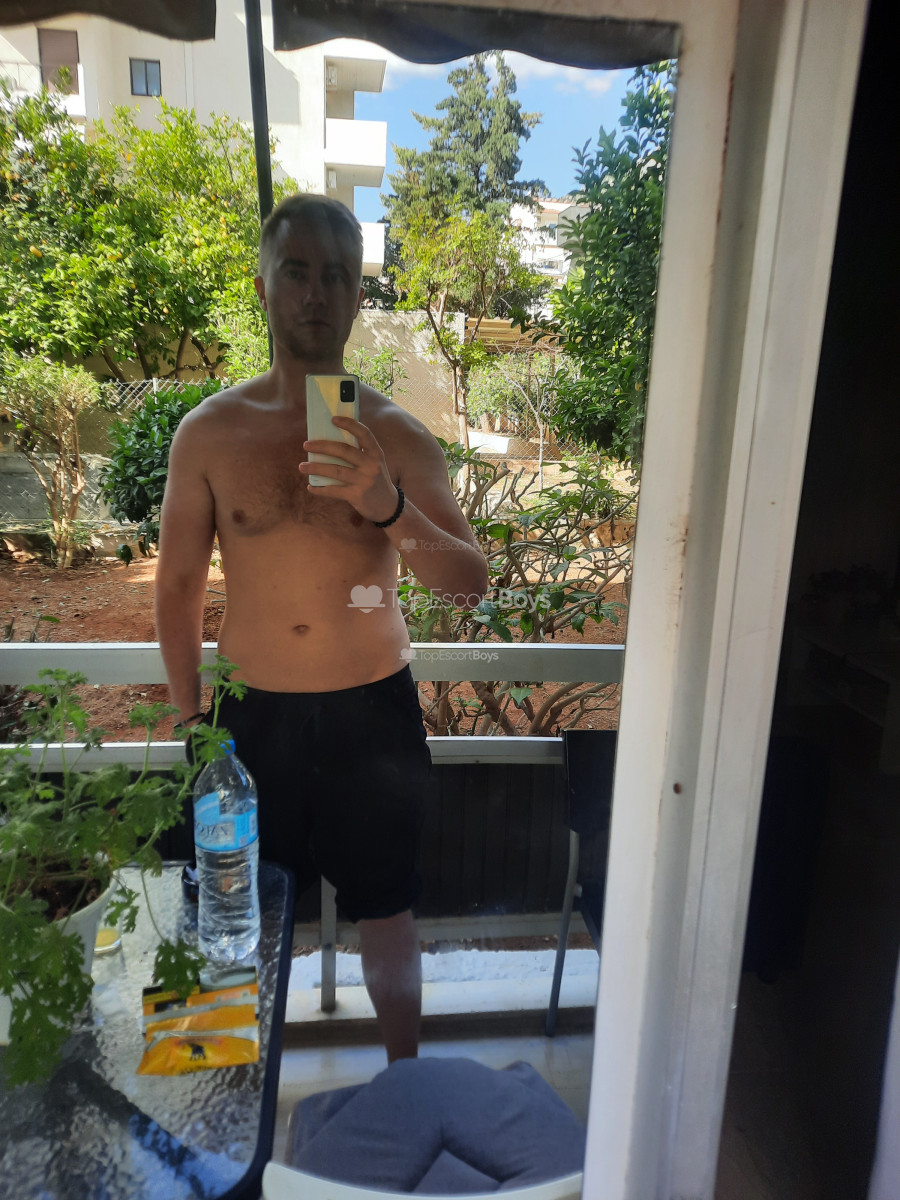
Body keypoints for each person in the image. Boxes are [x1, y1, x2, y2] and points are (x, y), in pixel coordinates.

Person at [155, 194, 488, 1062]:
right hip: (247, 721)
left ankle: (406, 1081)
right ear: (262, 286)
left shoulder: (397, 435)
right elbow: (178, 587)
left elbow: (466, 582)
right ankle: (222, 1094)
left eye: (336, 275)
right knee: (226, 909)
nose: (315, 292)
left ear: (358, 297)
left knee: (389, 907)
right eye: (296, 271)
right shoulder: (209, 433)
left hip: (371, 712)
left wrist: (388, 504)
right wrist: (192, 723)